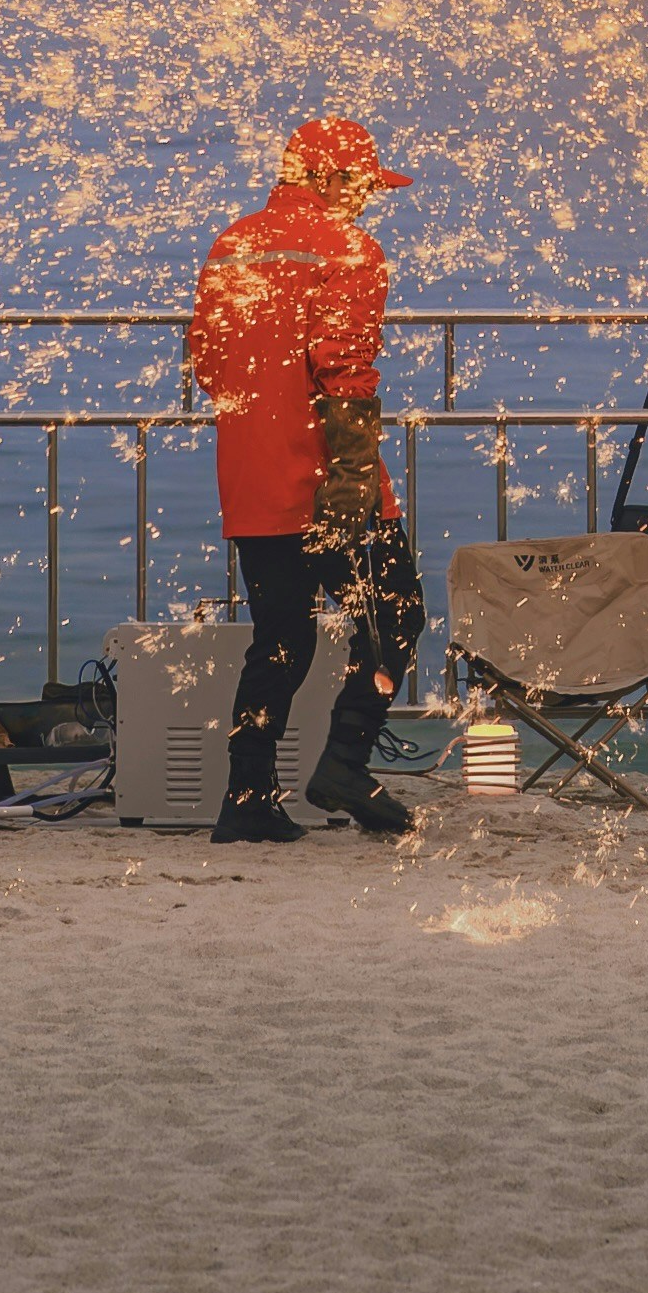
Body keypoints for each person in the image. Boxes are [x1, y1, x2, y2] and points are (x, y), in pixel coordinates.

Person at [185, 115, 423, 844]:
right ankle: (344, 764)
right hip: (326, 476)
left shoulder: (231, 244)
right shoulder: (348, 249)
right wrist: (353, 474)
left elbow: (205, 361)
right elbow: (346, 368)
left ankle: (248, 798)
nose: (366, 200)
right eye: (359, 184)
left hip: (252, 478)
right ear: (323, 178)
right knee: (396, 618)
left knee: (280, 639)